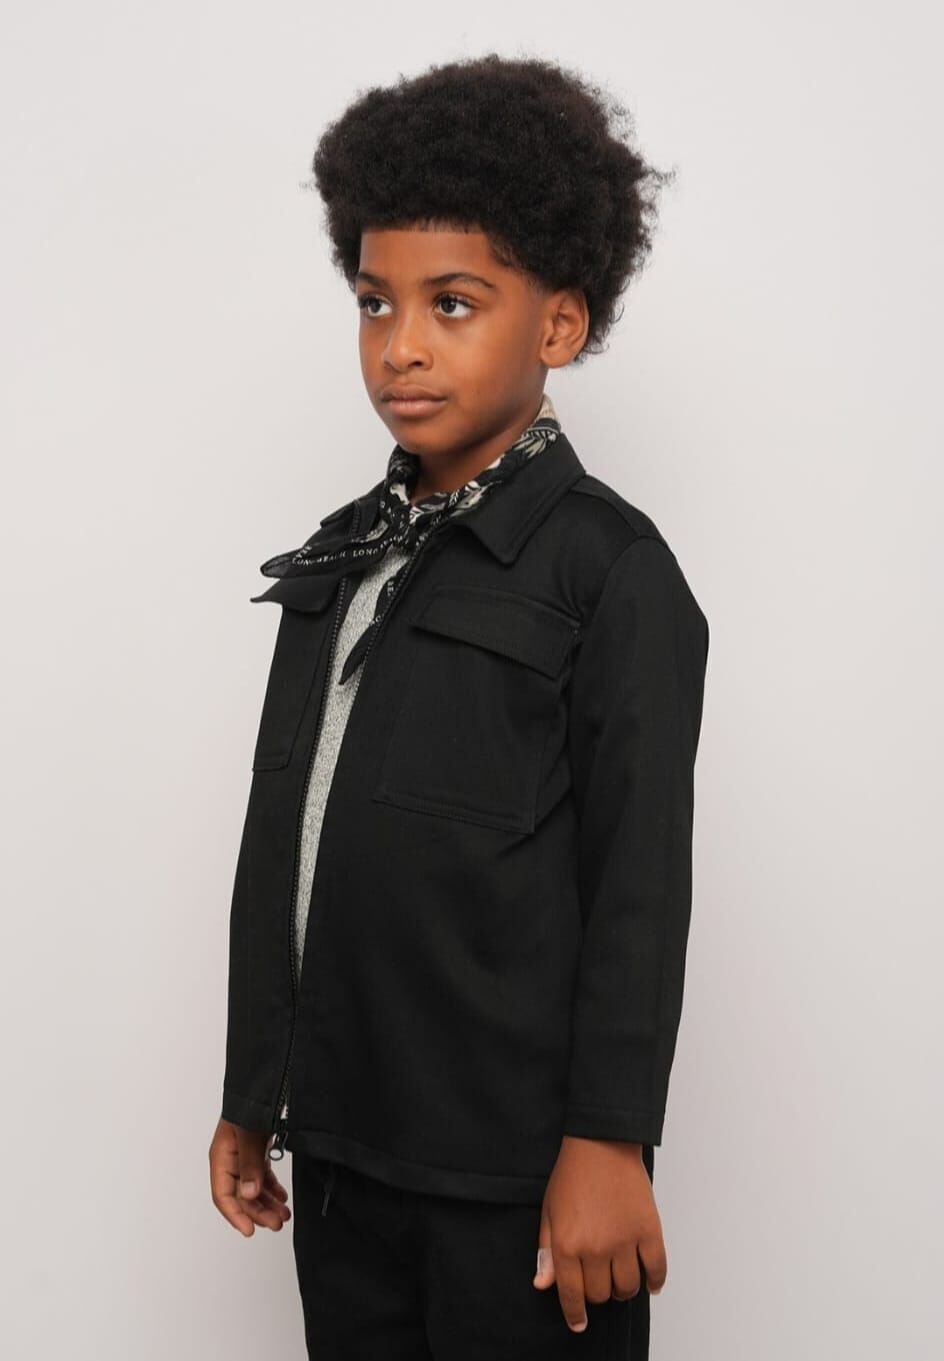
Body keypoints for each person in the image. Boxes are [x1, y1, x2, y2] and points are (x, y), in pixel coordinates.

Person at [208, 52, 709, 1360]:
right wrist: (255, 1089)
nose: (404, 344)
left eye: (453, 302)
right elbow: (287, 836)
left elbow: (640, 882)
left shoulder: (612, 572)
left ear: (558, 326)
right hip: (342, 1152)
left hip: (517, 1182)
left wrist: (608, 1141)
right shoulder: (342, 559)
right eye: (376, 302)